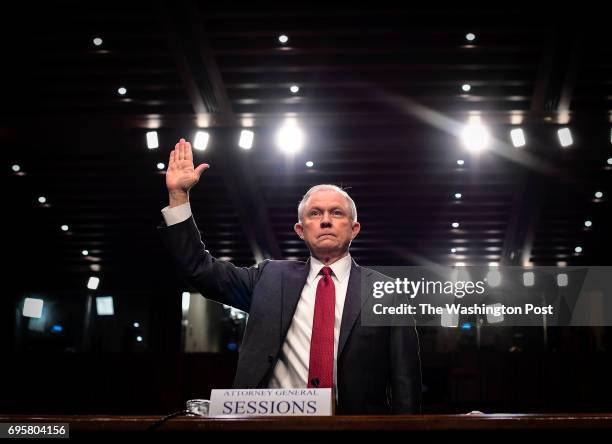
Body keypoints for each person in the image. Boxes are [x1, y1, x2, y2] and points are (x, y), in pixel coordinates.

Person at [159, 138, 422, 414]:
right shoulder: (268, 278)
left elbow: (406, 385)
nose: (325, 220)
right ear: (300, 230)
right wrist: (178, 196)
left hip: (353, 435)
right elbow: (199, 269)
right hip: (272, 431)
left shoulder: (388, 291)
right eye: (315, 213)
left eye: (337, 213)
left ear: (354, 229)